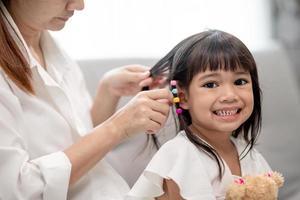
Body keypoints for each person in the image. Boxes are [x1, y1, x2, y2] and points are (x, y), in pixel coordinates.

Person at [0, 0, 172, 199]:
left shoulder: (46, 43)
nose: (79, 5)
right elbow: (17, 190)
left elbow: (76, 139)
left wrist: (108, 92)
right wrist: (117, 128)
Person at [127, 30, 273, 199]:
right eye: (211, 84)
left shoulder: (249, 154)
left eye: (240, 81)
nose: (230, 95)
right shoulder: (179, 155)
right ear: (183, 97)